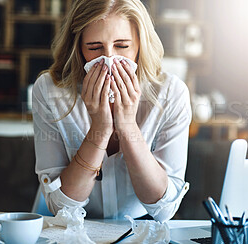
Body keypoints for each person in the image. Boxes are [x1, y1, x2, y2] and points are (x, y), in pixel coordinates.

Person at [32, 0, 192, 222]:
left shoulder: (170, 94)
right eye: (95, 48)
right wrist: (100, 128)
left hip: (141, 229)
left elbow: (164, 209)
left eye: (122, 46)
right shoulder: (50, 91)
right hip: (75, 228)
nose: (108, 60)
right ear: (78, 48)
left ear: (139, 45)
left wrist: (127, 126)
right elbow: (60, 206)